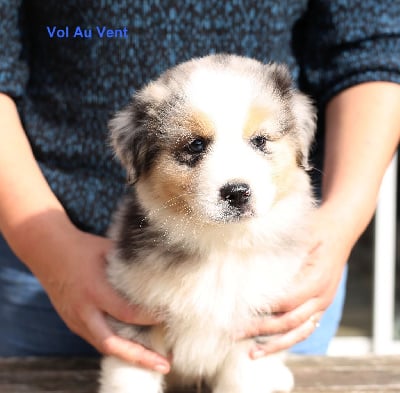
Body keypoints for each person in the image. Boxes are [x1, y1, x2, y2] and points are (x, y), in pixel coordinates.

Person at [0, 0, 399, 373]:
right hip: (51, 261)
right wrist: (46, 245)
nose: (234, 179)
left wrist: (344, 219)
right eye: (195, 146)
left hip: (293, 270)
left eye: (260, 142)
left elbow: (376, 48)